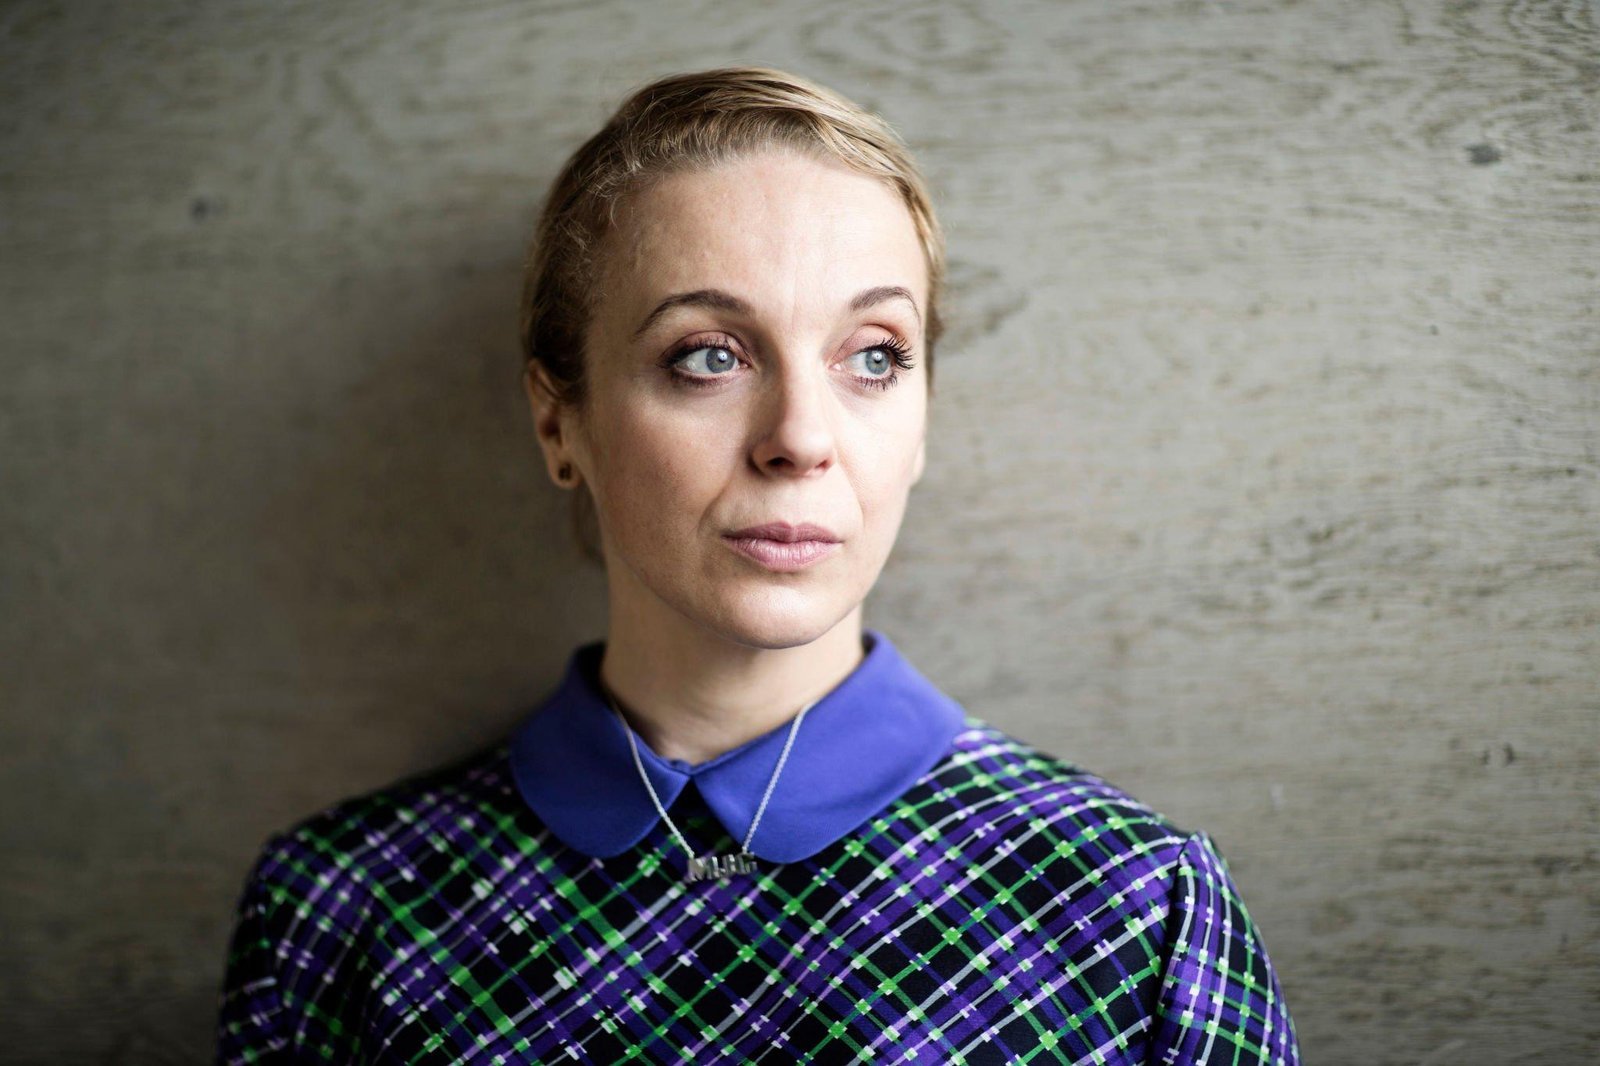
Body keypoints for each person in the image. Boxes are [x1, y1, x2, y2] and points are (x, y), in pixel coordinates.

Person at [215, 66, 1301, 1064]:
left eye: (873, 357)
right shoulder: (340, 913)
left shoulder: (1132, 911)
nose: (800, 437)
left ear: (922, 418)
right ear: (559, 424)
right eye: (708, 357)